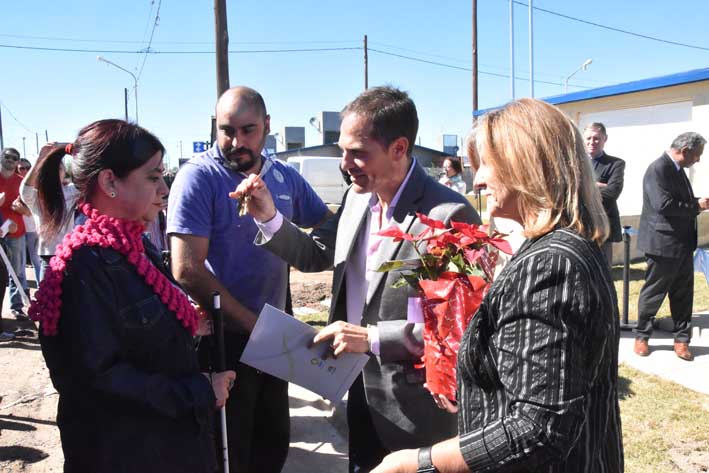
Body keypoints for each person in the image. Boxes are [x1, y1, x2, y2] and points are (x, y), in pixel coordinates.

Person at [235, 86, 481, 472]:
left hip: (416, 409)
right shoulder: (355, 197)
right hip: (355, 391)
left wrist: (370, 339)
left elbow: (459, 332)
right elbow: (317, 254)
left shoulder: (450, 216)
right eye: (342, 151)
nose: (344, 163)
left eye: (358, 153)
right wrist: (268, 216)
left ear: (399, 148)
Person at [372, 98, 624, 473]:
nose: (478, 180)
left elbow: (537, 429)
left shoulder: (551, 264)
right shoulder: (565, 249)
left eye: (487, 164)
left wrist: (416, 463)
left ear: (527, 163)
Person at [28, 121, 235, 473]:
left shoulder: (133, 246)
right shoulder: (83, 266)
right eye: (153, 178)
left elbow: (136, 337)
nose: (165, 189)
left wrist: (183, 322)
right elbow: (98, 381)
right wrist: (200, 391)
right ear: (110, 182)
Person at [167, 86, 330, 473]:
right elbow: (186, 268)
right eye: (226, 130)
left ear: (267, 127)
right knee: (228, 450)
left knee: (271, 442)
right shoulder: (199, 178)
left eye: (248, 130)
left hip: (274, 335)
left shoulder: (284, 178)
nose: (236, 141)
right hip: (224, 338)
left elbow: (325, 223)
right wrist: (252, 324)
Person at [634, 132, 709, 361]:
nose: (698, 160)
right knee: (654, 293)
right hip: (662, 245)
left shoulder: (678, 171)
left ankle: (681, 340)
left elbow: (676, 201)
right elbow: (663, 204)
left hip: (683, 244)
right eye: (697, 155)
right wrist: (696, 205)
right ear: (684, 151)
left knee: (683, 295)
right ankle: (642, 337)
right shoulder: (658, 168)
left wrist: (697, 202)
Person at [21, 156, 79, 281]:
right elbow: (24, 191)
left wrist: (77, 153)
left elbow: (89, 181)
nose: (55, 172)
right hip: (48, 258)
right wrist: (40, 158)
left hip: (69, 255)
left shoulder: (72, 190)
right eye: (50, 168)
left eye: (59, 168)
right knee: (47, 299)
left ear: (64, 172)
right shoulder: (37, 195)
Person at [583, 122, 625, 266]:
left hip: (603, 228)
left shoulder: (615, 164)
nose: (591, 142)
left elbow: (612, 193)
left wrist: (582, 187)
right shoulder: (573, 164)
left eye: (596, 138)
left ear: (605, 139)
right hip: (579, 225)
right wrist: (597, 186)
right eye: (588, 138)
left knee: (603, 273)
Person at [0, 147, 28, 320]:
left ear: (18, 162)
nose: (10, 159)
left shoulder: (22, 182)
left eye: (14, 158)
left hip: (16, 234)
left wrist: (23, 210)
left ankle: (16, 307)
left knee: (16, 272)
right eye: (7, 156)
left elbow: (31, 210)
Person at [16, 158, 42, 284]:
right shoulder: (15, 185)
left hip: (33, 229)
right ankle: (23, 290)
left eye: (28, 167)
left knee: (36, 260)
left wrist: (26, 211)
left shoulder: (36, 184)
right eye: (22, 168)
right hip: (17, 230)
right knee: (18, 263)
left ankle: (41, 288)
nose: (25, 170)